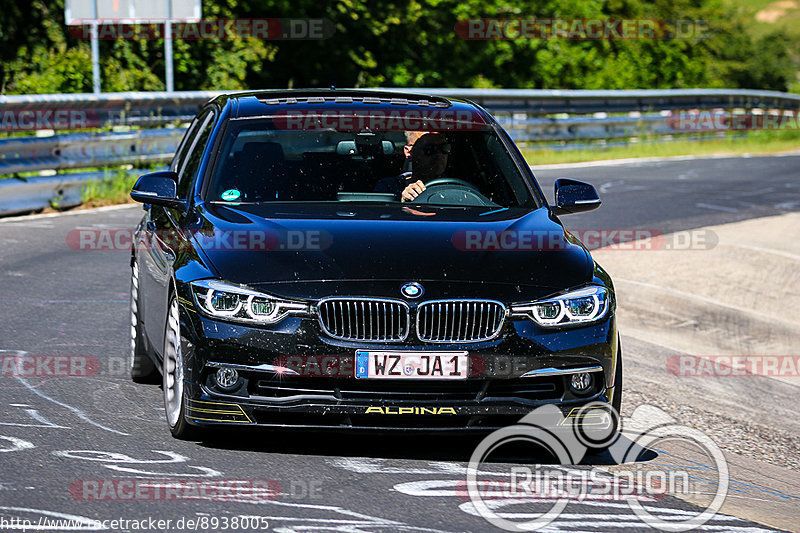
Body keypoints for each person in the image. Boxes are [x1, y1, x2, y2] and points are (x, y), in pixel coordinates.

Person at [375, 131, 451, 202]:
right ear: (409, 152)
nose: (439, 155)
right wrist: (402, 202)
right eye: (429, 149)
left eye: (444, 148)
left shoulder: (454, 187)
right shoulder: (389, 187)